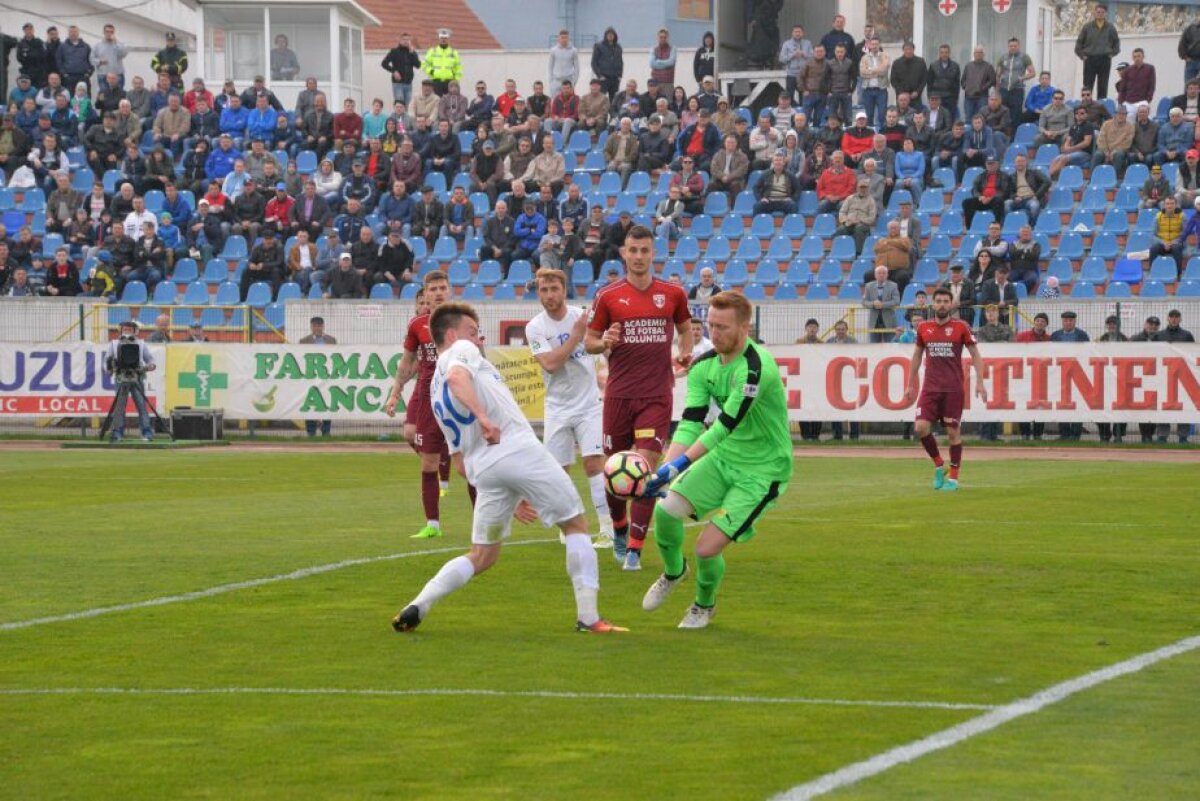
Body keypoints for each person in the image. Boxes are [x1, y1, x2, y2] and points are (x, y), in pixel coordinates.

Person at [392, 301, 626, 635]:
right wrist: (485, 418)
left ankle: (419, 604)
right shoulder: (459, 352)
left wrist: (511, 493)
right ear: (451, 333)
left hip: (484, 471)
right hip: (516, 449)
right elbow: (460, 376)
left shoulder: (433, 389)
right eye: (473, 331)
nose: (478, 338)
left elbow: (458, 462)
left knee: (482, 555)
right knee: (575, 524)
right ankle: (589, 618)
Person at [637, 291, 792, 630]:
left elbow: (722, 427)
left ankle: (703, 606)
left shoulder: (755, 370)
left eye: (723, 327)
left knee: (707, 549)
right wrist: (664, 469)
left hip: (762, 471)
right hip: (723, 459)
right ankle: (674, 571)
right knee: (665, 512)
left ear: (744, 328)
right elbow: (692, 422)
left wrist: (673, 469)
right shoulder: (703, 366)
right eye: (710, 325)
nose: (714, 333)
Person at [584, 225, 692, 570]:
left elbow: (686, 327)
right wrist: (606, 344)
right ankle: (618, 527)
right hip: (618, 396)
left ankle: (634, 548)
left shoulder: (672, 293)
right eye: (634, 250)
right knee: (614, 471)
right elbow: (589, 342)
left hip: (656, 396)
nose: (640, 256)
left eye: (645, 250)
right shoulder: (608, 296)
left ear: (653, 253)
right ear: (624, 253)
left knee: (644, 470)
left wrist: (685, 352)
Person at [526, 268, 614, 546]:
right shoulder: (535, 327)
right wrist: (577, 337)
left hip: (589, 404)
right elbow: (550, 364)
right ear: (538, 292)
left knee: (593, 464)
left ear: (564, 290)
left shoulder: (582, 317)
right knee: (558, 471)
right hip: (557, 407)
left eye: (554, 289)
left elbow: (601, 346)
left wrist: (602, 346)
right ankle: (569, 527)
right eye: (544, 290)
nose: (549, 295)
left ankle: (608, 528)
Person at [384, 270, 468, 538]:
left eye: (443, 287)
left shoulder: (466, 321)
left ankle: (483, 523)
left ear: (450, 290)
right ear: (425, 294)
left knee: (472, 465)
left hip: (460, 398)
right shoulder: (417, 325)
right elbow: (407, 362)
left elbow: (480, 357)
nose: (439, 292)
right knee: (428, 463)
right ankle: (433, 525)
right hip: (430, 399)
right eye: (433, 289)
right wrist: (395, 393)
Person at [904, 288, 987, 492]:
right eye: (938, 301)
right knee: (920, 427)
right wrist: (910, 383)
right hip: (930, 388)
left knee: (953, 433)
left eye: (945, 301)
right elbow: (916, 356)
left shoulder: (961, 327)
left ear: (951, 304)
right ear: (933, 304)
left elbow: (975, 354)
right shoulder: (924, 327)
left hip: (953, 389)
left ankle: (954, 480)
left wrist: (980, 381)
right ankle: (940, 465)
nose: (941, 304)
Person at [105, 319, 157, 442]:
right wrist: (109, 368)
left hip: (137, 377)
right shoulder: (114, 344)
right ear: (120, 330)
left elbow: (150, 359)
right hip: (120, 377)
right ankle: (118, 432)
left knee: (141, 406)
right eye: (125, 329)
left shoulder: (141, 344)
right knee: (119, 407)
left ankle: (146, 432)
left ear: (135, 331)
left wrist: (150, 366)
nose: (127, 331)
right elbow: (107, 360)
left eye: (130, 329)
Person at [297, 316, 336, 435]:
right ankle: (311, 432)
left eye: (319, 326)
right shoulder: (303, 342)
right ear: (311, 327)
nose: (317, 328)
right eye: (314, 326)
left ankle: (326, 432)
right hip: (311, 378)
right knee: (310, 404)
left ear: (323, 326)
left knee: (327, 404)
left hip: (327, 378)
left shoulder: (331, 340)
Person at [1076, 4, 1120, 100]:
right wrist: (1082, 56)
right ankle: (1086, 108)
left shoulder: (1111, 28)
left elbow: (1116, 43)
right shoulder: (1087, 27)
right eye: (1098, 12)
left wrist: (1111, 54)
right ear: (1094, 13)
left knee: (1103, 86)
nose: (1100, 14)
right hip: (1090, 59)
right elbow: (1078, 44)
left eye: (1102, 12)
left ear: (1106, 14)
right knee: (1087, 86)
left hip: (1104, 60)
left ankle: (1101, 108)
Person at [861, 265, 899, 343]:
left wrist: (883, 304)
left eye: (884, 273)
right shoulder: (868, 286)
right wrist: (873, 304)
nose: (881, 275)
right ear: (875, 275)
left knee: (890, 345)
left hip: (889, 321)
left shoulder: (893, 286)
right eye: (879, 273)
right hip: (874, 321)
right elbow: (864, 302)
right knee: (874, 346)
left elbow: (896, 301)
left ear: (887, 275)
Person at [422, 29, 463, 96]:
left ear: (448, 39)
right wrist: (431, 71)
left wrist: (456, 80)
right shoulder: (432, 51)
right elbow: (424, 65)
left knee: (449, 102)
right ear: (439, 39)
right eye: (442, 38)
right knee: (437, 102)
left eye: (445, 38)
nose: (443, 40)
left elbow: (458, 68)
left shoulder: (453, 52)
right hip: (436, 81)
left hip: (450, 81)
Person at [592, 27, 623, 99]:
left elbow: (620, 62)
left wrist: (619, 75)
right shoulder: (599, 46)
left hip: (615, 79)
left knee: (614, 100)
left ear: (615, 36)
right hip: (604, 78)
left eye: (612, 34)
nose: (610, 36)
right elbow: (594, 63)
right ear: (605, 35)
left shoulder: (618, 47)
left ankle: (612, 111)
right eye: (608, 34)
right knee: (600, 99)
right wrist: (600, 76)